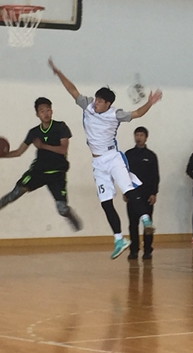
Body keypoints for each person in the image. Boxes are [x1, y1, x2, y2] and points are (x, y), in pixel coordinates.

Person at [48, 58, 162, 260]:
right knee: (105, 202)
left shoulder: (116, 114)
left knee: (128, 189)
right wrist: (59, 73)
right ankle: (119, 239)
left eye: (100, 101)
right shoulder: (88, 105)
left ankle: (146, 220)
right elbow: (72, 90)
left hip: (113, 157)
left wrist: (150, 103)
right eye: (96, 99)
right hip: (98, 163)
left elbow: (137, 113)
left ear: (108, 104)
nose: (96, 103)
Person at [0, 97, 81, 230]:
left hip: (57, 173)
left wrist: (42, 146)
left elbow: (63, 149)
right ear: (37, 114)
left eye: (48, 110)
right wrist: (2, 156)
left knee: (62, 209)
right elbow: (19, 152)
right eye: (42, 111)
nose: (46, 113)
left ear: (52, 111)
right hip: (38, 171)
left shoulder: (60, 127)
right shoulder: (34, 132)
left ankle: (68, 214)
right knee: (15, 193)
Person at [125, 127, 160, 260]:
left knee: (147, 224)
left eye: (141, 135)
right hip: (132, 194)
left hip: (147, 195)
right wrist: (125, 191)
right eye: (137, 135)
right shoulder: (128, 154)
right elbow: (123, 174)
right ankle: (134, 250)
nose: (139, 137)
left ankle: (147, 250)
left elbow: (155, 176)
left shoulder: (151, 156)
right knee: (133, 224)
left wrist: (154, 193)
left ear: (146, 137)